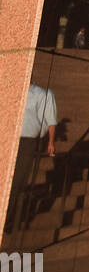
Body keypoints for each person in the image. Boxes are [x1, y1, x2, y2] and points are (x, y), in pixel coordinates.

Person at [6, 83, 57, 233]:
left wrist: (51, 142)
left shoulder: (42, 94)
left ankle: (8, 219)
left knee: (17, 181)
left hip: (27, 141)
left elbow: (51, 120)